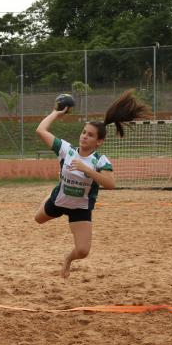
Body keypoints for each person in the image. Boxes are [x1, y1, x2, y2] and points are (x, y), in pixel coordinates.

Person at [34, 89, 150, 278]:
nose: (84, 136)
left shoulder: (100, 160)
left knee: (82, 251)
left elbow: (111, 184)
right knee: (37, 220)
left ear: (99, 141)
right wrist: (57, 112)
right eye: (83, 132)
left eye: (90, 135)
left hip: (80, 208)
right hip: (58, 200)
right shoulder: (66, 150)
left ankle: (67, 260)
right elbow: (40, 130)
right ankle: (52, 193)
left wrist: (86, 169)